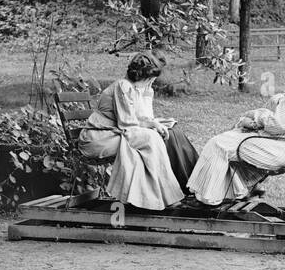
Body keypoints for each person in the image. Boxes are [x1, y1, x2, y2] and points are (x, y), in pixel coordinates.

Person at [185, 53, 285, 207]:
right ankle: (225, 191)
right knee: (230, 137)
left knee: (218, 144)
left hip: (277, 151)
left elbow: (276, 125)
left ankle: (207, 198)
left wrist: (257, 117)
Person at [77, 51, 198, 210]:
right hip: (98, 139)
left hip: (112, 133)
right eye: (149, 79)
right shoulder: (124, 86)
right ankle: (166, 198)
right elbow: (127, 124)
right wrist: (152, 125)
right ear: (142, 76)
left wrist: (151, 115)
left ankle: (168, 194)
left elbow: (140, 117)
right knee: (151, 138)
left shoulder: (133, 87)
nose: (151, 82)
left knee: (157, 134)